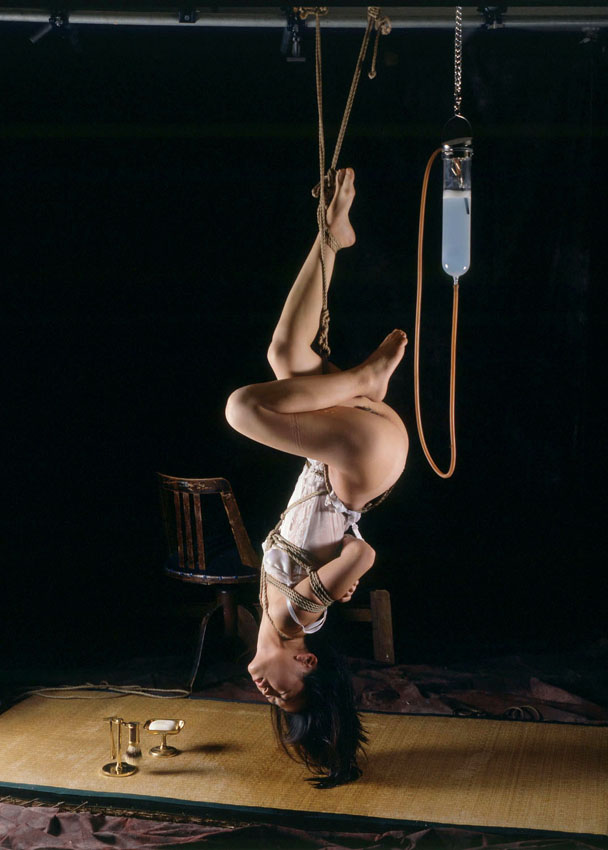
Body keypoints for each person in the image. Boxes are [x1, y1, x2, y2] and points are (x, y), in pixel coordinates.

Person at [225, 167, 408, 787]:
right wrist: (334, 581)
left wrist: (334, 579)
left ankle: (331, 237)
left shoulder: (275, 611)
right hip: (360, 460)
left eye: (273, 703)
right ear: (305, 663)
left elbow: (345, 551)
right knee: (243, 409)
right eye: (286, 694)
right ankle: (364, 380)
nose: (268, 693)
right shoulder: (293, 618)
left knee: (284, 355)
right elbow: (363, 552)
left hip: (351, 454)